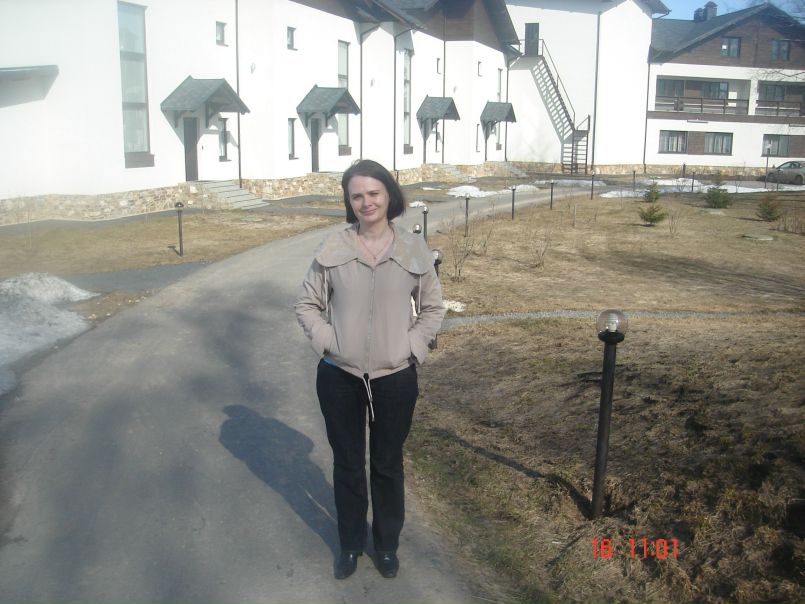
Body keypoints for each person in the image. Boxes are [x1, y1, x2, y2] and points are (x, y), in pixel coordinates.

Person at [294, 159, 445, 580]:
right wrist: (330, 341)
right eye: (357, 195)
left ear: (389, 195)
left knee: (387, 463)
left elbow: (432, 308)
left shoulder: (413, 249)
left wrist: (411, 347)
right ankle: (350, 544)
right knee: (347, 463)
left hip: (395, 377)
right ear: (349, 201)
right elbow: (306, 304)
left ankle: (387, 544)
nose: (366, 202)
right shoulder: (333, 248)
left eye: (374, 193)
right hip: (339, 376)